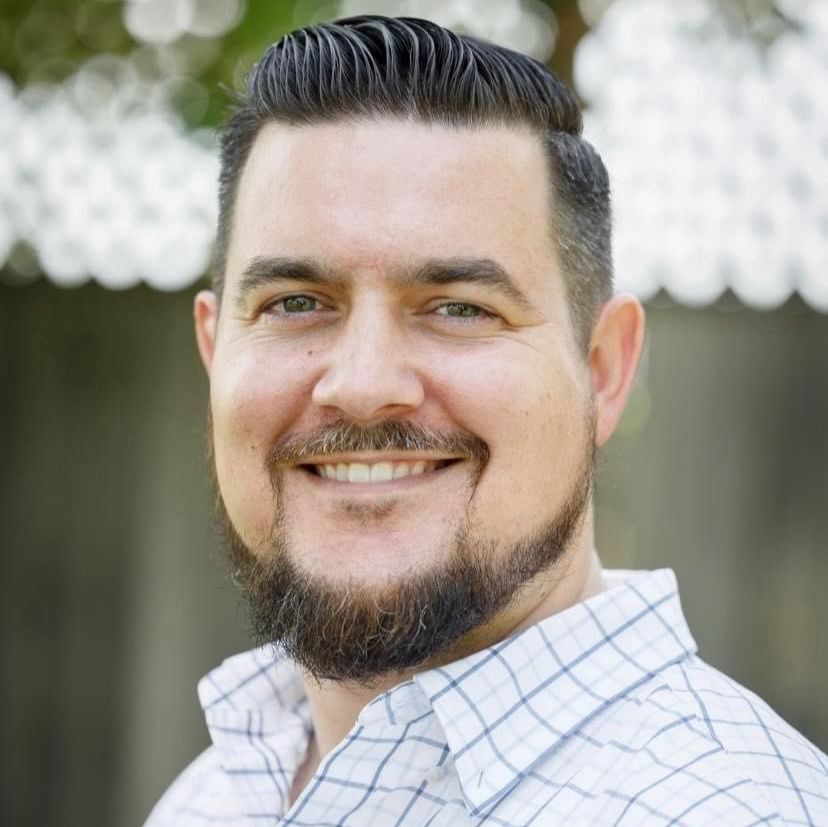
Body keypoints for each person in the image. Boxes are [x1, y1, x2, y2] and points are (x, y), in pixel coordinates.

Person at [145, 15, 828, 827]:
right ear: (216, 351)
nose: (363, 385)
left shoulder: (723, 810)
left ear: (603, 370)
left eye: (460, 308)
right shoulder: (213, 796)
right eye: (296, 304)